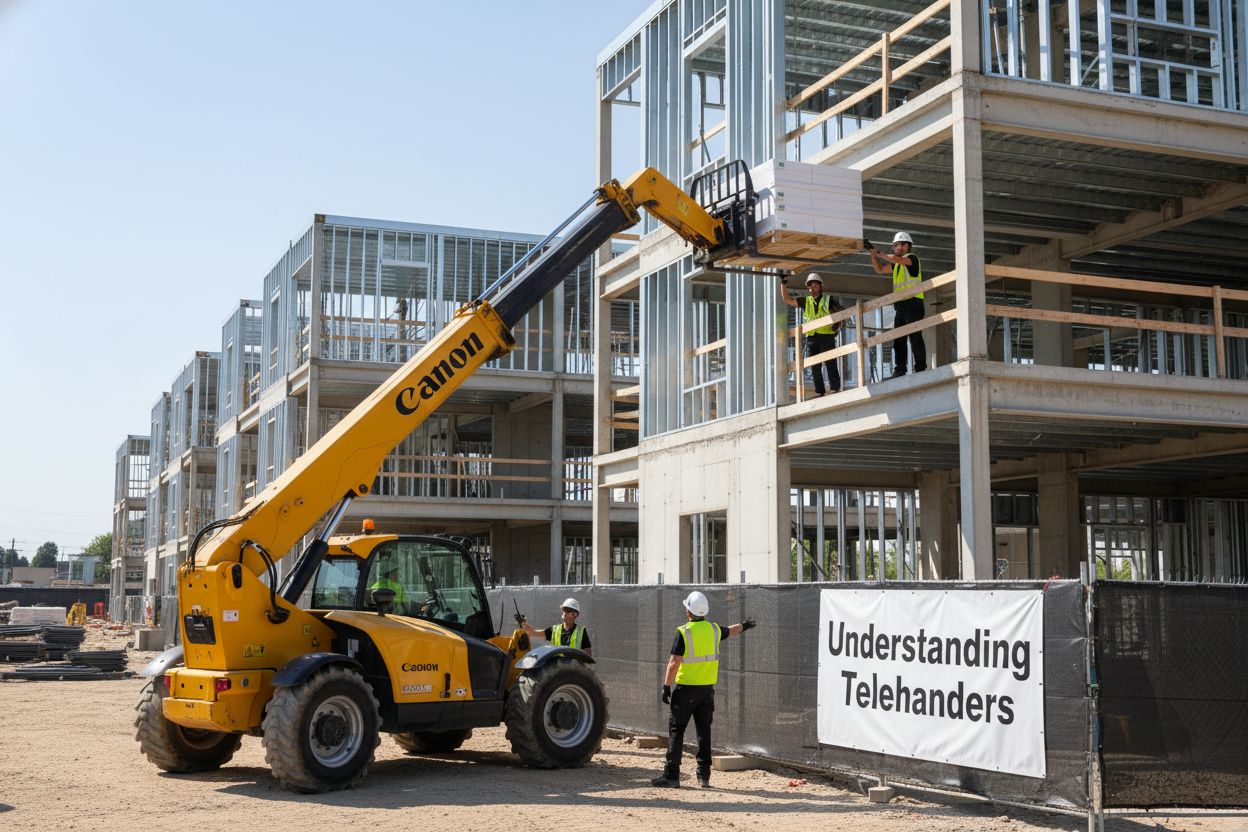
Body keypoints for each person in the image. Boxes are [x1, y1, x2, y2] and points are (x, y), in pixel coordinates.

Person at [651, 591, 756, 789]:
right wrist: (745, 626)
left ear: (688, 610)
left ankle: (672, 776)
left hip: (685, 690)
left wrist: (666, 686)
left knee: (676, 731)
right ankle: (704, 776)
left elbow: (674, 661)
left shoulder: (684, 631)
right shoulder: (713, 630)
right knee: (704, 732)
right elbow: (730, 630)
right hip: (706, 690)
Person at [868, 231, 927, 378]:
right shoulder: (896, 265)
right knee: (899, 338)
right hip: (901, 305)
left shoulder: (911, 258)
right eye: (894, 245)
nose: (896, 247)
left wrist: (879, 252)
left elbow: (895, 259)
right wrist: (873, 255)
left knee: (915, 336)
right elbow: (879, 270)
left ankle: (920, 367)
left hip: (914, 303)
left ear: (907, 246)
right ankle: (900, 369)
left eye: (898, 245)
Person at [780, 273, 841, 396]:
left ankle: (835, 387)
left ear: (820, 286)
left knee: (830, 363)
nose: (812, 288)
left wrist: (838, 322)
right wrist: (783, 284)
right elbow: (787, 299)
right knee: (814, 366)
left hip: (827, 336)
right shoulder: (806, 301)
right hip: (812, 337)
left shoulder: (829, 299)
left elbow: (841, 311)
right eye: (810, 286)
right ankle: (820, 391)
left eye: (814, 285)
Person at [519, 597, 592, 657]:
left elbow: (588, 655)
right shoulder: (555, 630)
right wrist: (524, 624)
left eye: (568, 611)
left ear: (575, 615)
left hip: (572, 670)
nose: (565, 614)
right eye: (564, 611)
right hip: (556, 669)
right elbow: (533, 632)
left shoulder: (581, 632)